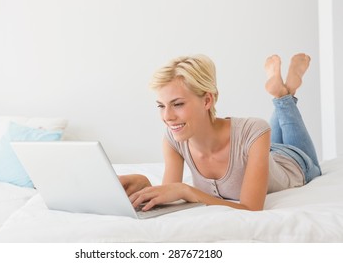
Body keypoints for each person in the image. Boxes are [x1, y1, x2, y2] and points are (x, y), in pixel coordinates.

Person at [119, 53, 322, 211]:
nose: (167, 116)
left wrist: (187, 190)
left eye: (178, 104)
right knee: (274, 117)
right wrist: (144, 184)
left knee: (282, 118)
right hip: (263, 154)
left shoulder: (255, 130)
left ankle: (284, 95)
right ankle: (285, 90)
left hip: (296, 162)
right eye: (161, 106)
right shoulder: (173, 139)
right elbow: (169, 193)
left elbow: (251, 209)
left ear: (207, 100)